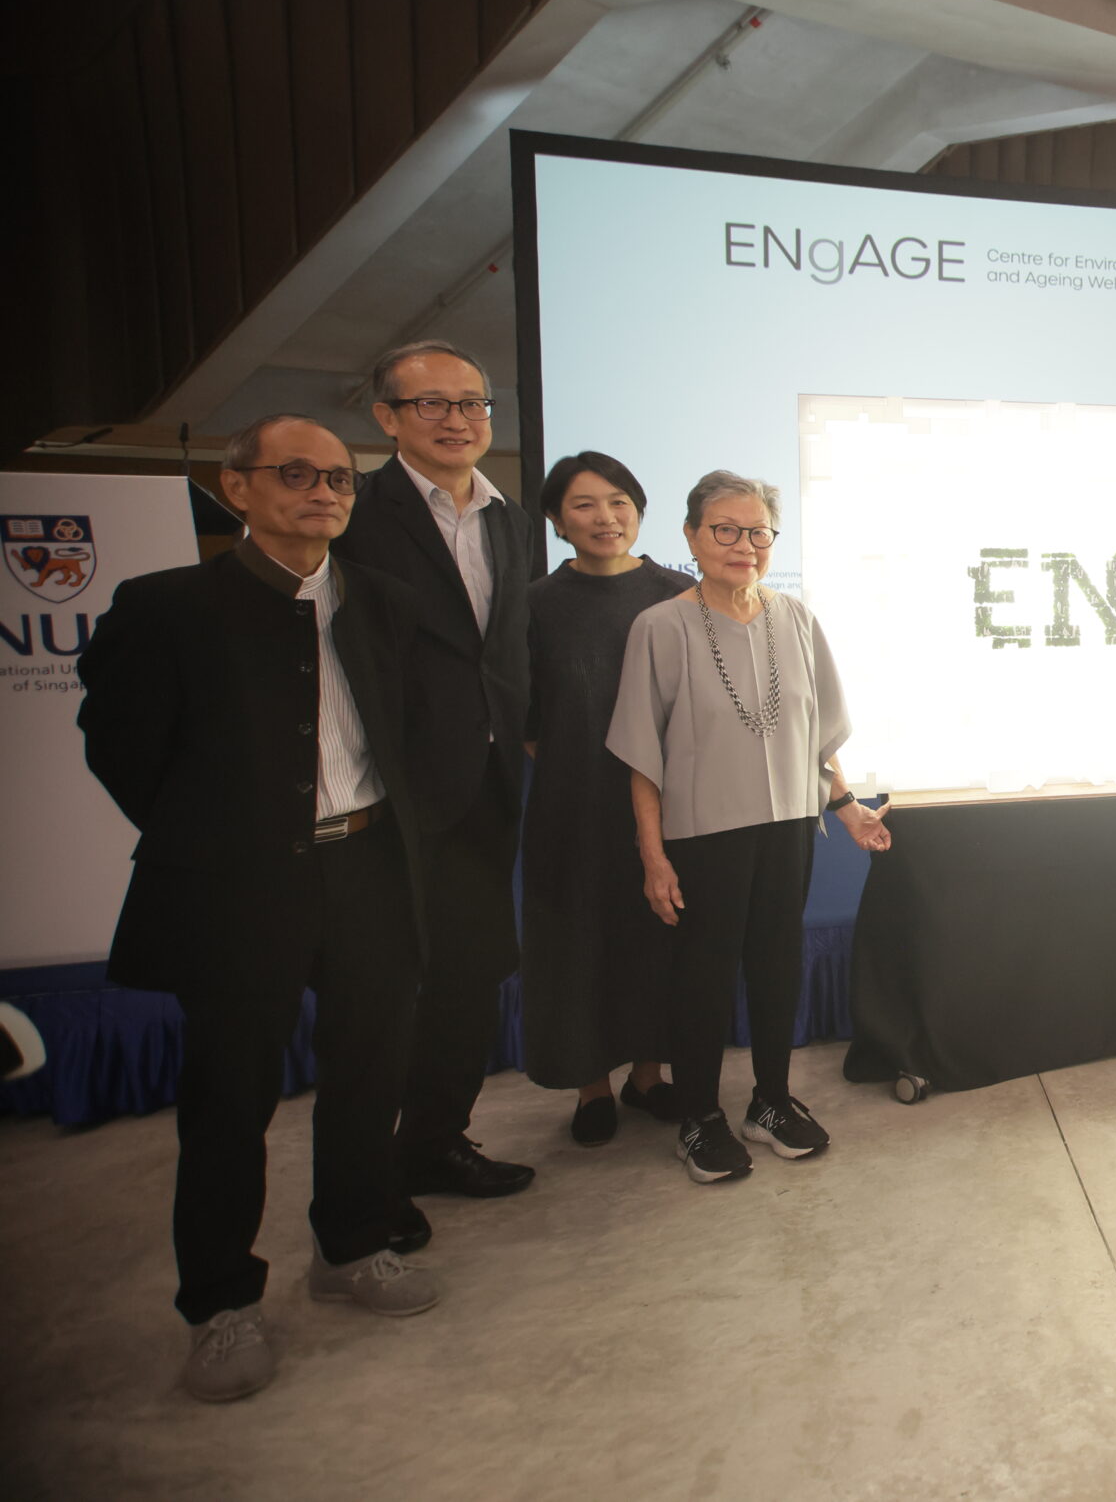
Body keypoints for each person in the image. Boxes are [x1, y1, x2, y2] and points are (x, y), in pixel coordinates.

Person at [77, 415, 440, 1403]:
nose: (322, 491)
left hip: (366, 865)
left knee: (371, 1069)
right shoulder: (166, 608)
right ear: (238, 487)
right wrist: (216, 830)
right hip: (238, 884)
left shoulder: (385, 601)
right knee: (230, 1095)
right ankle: (221, 1302)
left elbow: (406, 736)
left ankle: (354, 1241)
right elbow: (120, 743)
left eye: (337, 478)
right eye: (295, 473)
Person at [607, 471, 891, 1184]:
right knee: (701, 977)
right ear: (692, 537)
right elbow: (642, 754)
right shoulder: (660, 627)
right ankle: (699, 1115)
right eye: (725, 529)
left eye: (758, 530)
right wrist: (652, 855)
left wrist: (846, 803)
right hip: (703, 834)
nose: (743, 544)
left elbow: (819, 733)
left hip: (789, 826)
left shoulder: (795, 617)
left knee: (776, 968)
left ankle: (769, 1100)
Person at [337, 340, 544, 1220]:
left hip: (488, 781)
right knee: (386, 990)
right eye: (434, 405)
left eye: (474, 404)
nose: (459, 420)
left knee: (469, 971)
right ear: (386, 418)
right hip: (390, 794)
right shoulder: (355, 511)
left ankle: (432, 1142)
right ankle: (364, 1177)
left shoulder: (507, 516)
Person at [519, 453, 694, 1142]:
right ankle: (591, 1087)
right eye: (584, 505)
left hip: (671, 803)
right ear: (558, 520)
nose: (604, 517)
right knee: (577, 941)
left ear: (640, 511)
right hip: (572, 805)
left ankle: (647, 1077)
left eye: (619, 501)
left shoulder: (680, 592)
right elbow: (527, 717)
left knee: (657, 939)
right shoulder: (535, 604)